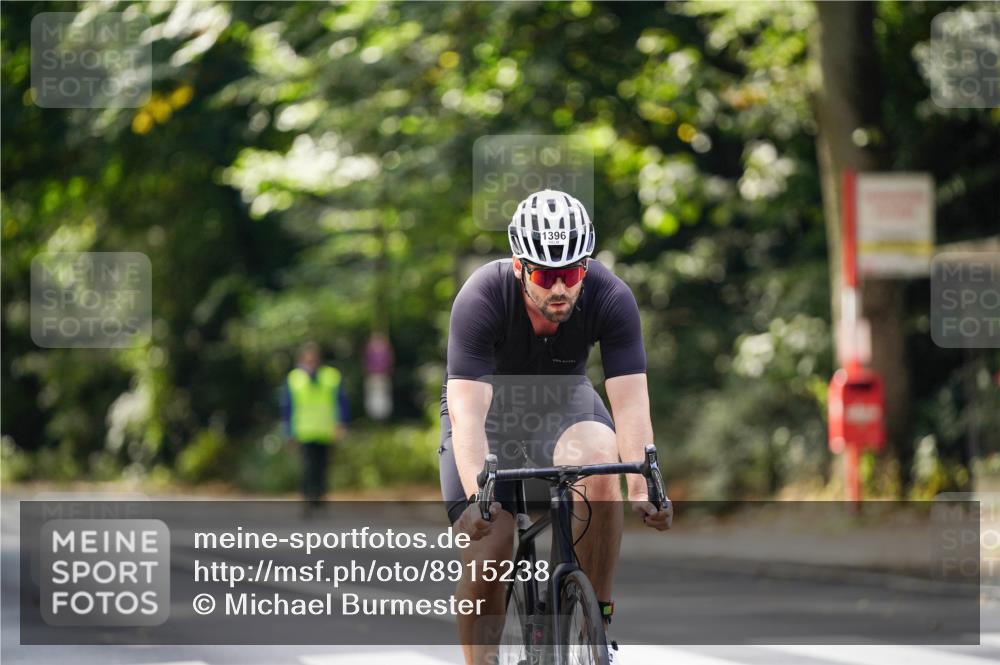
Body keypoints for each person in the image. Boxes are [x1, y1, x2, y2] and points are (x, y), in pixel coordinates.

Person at [439, 189, 673, 665]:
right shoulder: (482, 296)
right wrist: (478, 496)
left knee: (602, 464)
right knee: (492, 549)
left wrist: (643, 485)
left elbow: (630, 406)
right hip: (490, 419)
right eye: (546, 275)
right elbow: (468, 412)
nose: (560, 288)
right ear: (520, 265)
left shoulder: (611, 296)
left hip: (563, 405)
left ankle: (596, 624)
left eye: (571, 273)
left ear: (586, 266)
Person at [281, 342, 348, 515]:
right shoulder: (295, 379)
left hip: (325, 431)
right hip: (304, 432)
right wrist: (289, 433)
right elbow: (287, 408)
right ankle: (308, 500)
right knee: (308, 468)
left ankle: (319, 499)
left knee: (322, 468)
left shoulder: (330, 376)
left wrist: (341, 424)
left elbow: (341, 403)